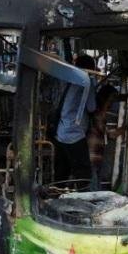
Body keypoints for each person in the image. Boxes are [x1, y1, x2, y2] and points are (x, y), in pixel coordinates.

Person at [52, 54, 97, 185]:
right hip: (75, 134)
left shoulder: (68, 80)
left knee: (61, 172)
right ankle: (81, 201)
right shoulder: (86, 83)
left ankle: (56, 197)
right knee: (83, 174)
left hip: (61, 132)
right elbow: (92, 107)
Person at [87, 84, 125, 191]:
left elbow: (108, 133)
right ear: (106, 98)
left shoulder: (99, 113)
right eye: (111, 98)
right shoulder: (98, 114)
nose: (113, 102)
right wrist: (126, 128)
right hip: (93, 155)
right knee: (93, 188)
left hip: (96, 155)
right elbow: (110, 134)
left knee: (95, 184)